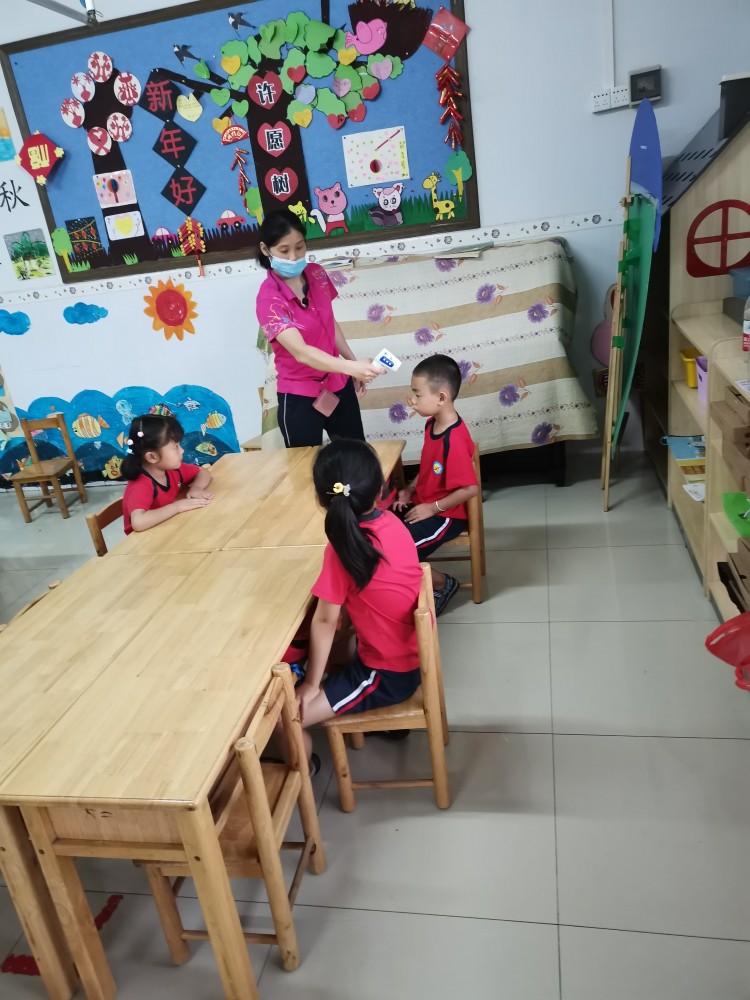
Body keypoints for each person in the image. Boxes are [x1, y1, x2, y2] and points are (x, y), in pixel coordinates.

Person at [289, 439, 424, 767]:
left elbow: (324, 621)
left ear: (322, 499)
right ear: (380, 489)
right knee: (325, 650)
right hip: (403, 650)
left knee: (284, 717)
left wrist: (311, 685)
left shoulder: (344, 549)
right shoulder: (391, 523)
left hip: (387, 673)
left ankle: (306, 767)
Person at [255, 209, 382, 447]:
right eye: (284, 250)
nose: (294, 257)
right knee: (306, 465)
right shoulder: (268, 300)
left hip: (337, 383)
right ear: (265, 249)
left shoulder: (316, 274)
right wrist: (352, 367)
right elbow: (301, 352)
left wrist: (352, 363)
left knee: (357, 455)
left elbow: (329, 323)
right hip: (299, 395)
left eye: (300, 247)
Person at [394, 354, 479, 615]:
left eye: (417, 394)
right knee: (379, 528)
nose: (412, 400)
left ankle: (442, 583)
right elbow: (430, 466)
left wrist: (433, 508)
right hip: (424, 502)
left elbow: (470, 489)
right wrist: (410, 488)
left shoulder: (454, 439)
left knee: (395, 551)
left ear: (441, 398)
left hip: (447, 516)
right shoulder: (432, 423)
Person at [121, 413, 213, 534]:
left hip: (168, 530)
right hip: (146, 541)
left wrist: (196, 488)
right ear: (152, 457)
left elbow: (203, 472)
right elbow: (138, 522)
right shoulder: (140, 485)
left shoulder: (172, 470)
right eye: (176, 447)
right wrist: (178, 507)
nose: (182, 450)